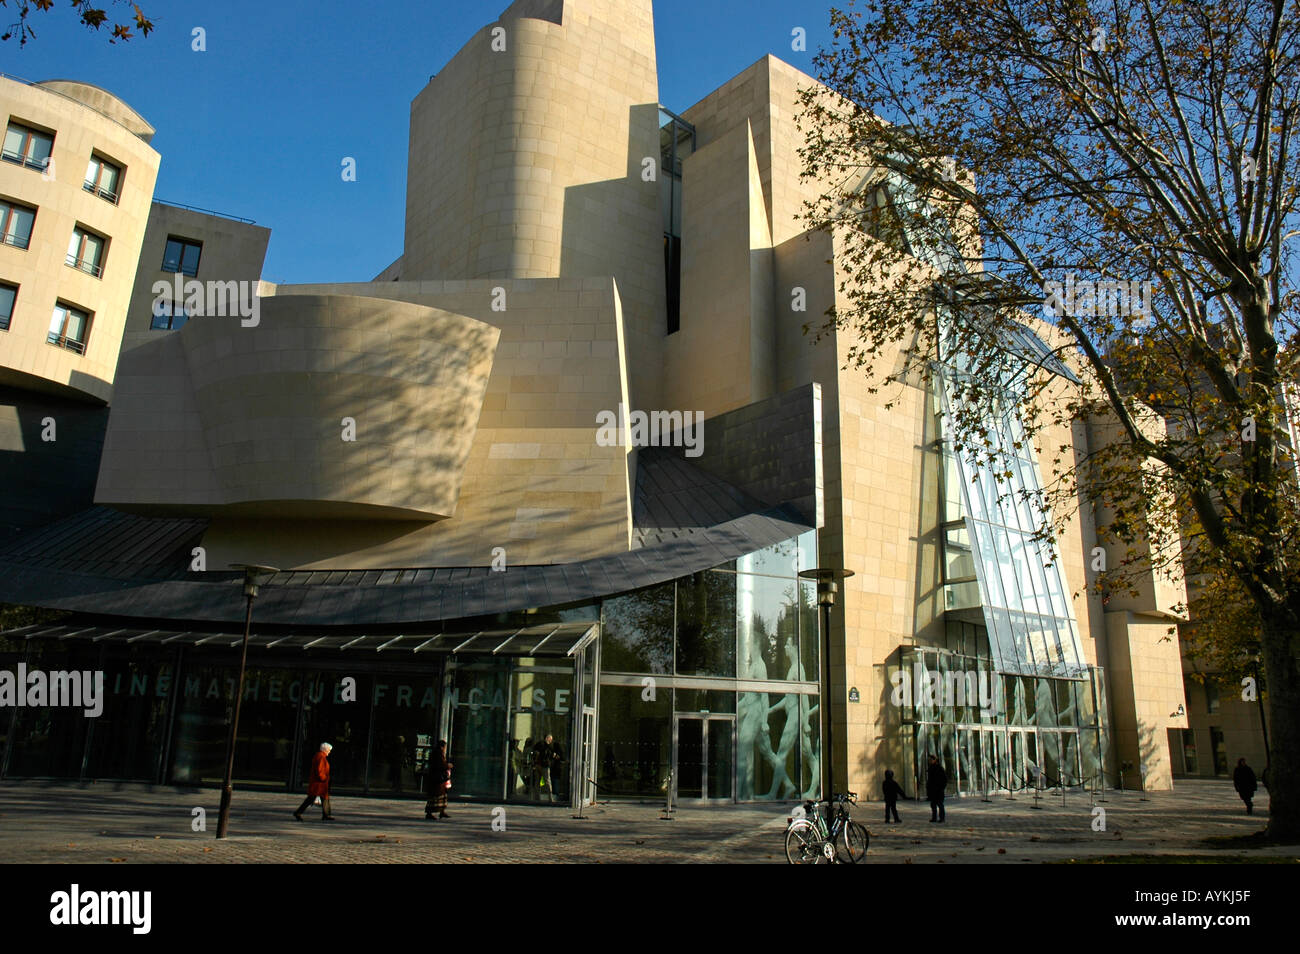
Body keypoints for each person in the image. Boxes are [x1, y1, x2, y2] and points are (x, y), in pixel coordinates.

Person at [294, 742, 334, 821]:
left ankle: (326, 814)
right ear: (325, 750)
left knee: (322, 798)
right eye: (329, 750)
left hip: (319, 783)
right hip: (319, 783)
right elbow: (320, 771)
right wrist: (324, 778)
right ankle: (298, 812)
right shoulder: (321, 757)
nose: (329, 751)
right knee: (313, 798)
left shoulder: (320, 756)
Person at [424, 739, 452, 819]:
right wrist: (448, 766)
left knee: (442, 796)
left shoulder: (437, 753)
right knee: (435, 796)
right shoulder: (438, 754)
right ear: (442, 747)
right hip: (437, 779)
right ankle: (429, 813)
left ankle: (442, 811)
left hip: (439, 779)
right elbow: (440, 765)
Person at [926, 754, 947, 823]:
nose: (930, 761)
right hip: (933, 790)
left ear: (935, 760)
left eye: (931, 760)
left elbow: (944, 779)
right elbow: (929, 780)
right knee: (933, 805)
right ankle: (934, 818)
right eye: (929, 760)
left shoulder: (939, 768)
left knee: (940, 804)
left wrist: (941, 788)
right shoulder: (931, 768)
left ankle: (942, 818)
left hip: (938, 790)